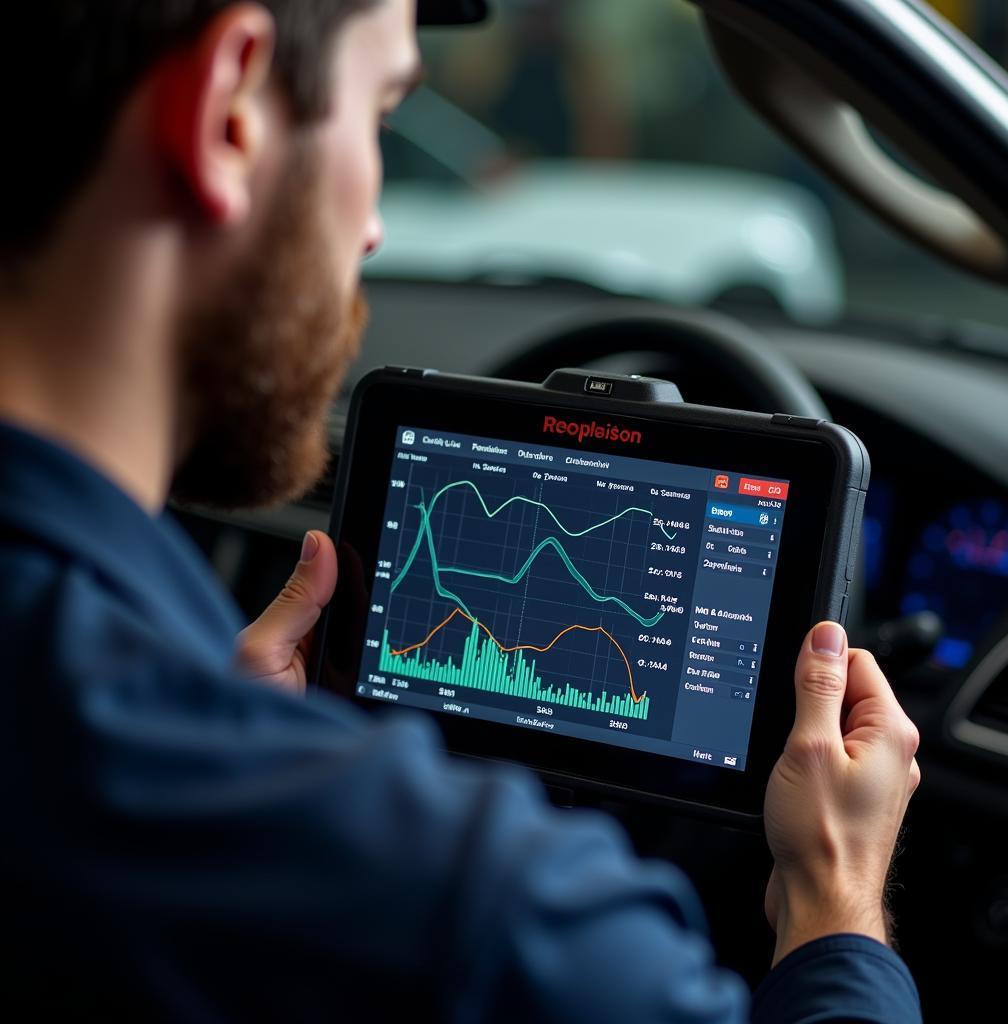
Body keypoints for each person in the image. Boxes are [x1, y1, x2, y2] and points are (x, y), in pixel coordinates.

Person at [0, 1, 922, 1020]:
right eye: (381, 110)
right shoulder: (492, 915)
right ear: (230, 112)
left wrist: (239, 730)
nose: (376, 225)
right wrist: (835, 903)